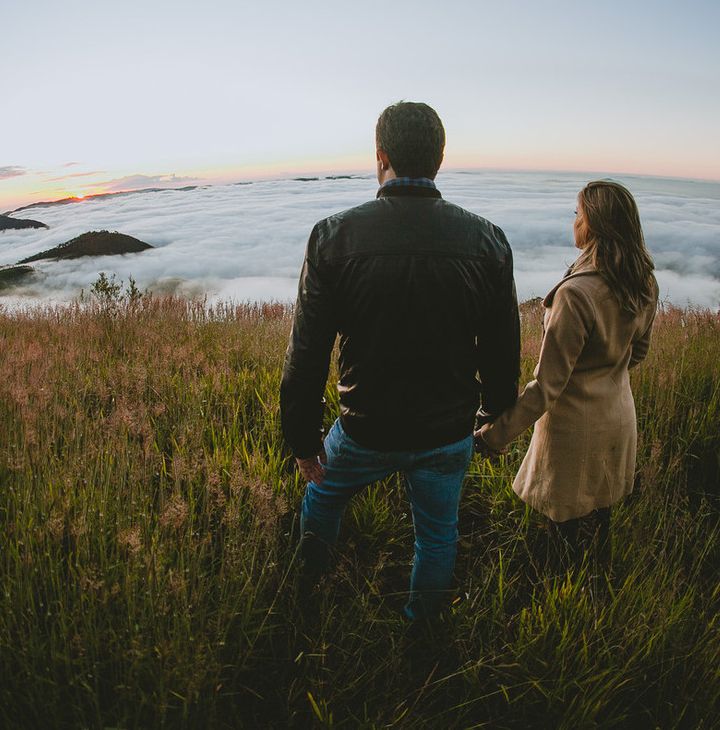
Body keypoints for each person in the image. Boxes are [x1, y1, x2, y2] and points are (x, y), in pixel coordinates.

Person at [279, 101, 520, 620]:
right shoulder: (489, 241)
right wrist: (493, 418)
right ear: (438, 161)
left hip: (366, 427)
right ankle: (422, 631)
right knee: (437, 536)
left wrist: (302, 442)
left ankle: (309, 594)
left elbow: (307, 353)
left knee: (322, 497)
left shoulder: (332, 236)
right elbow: (502, 352)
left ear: (381, 156)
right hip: (448, 431)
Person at [475, 180, 658, 549]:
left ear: (593, 224)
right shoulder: (644, 282)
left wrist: (491, 436)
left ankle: (565, 601)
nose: (574, 222)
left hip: (574, 432)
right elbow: (637, 354)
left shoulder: (576, 295)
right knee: (599, 525)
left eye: (578, 214)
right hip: (619, 419)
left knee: (563, 540)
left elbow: (547, 387)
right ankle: (599, 598)